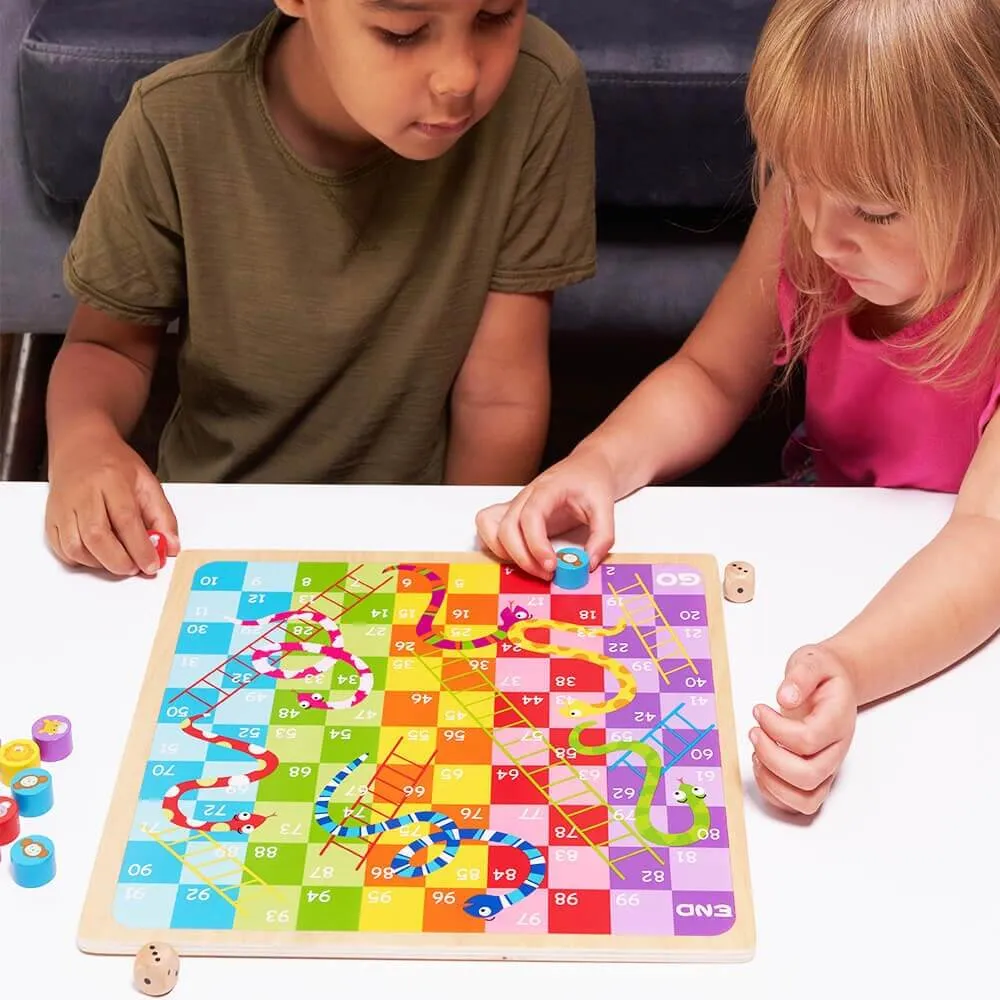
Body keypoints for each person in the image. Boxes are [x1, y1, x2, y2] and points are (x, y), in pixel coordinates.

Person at [477, 0, 1000, 817]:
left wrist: (853, 665)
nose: (823, 237)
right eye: (801, 179)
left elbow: (987, 539)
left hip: (944, 627)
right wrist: (599, 463)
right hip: (820, 564)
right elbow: (712, 376)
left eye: (873, 209)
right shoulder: (814, 217)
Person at [44, 0, 595, 577]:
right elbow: (106, 348)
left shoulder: (539, 87)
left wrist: (461, 562)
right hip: (204, 533)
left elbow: (499, 393)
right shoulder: (172, 121)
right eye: (401, 32)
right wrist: (83, 445)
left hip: (419, 537)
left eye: (495, 16)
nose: (460, 77)